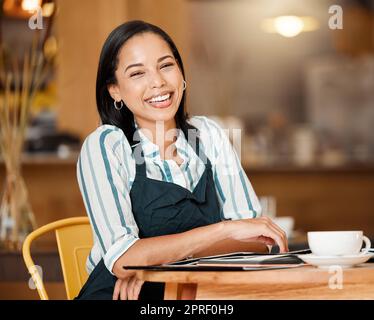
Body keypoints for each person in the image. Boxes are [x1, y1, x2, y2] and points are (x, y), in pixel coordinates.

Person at [75, 20, 288, 300]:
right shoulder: (107, 145)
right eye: (137, 73)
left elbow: (259, 240)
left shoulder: (209, 134)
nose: (158, 82)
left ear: (180, 71)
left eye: (166, 65)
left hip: (198, 296)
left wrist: (157, 263)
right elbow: (123, 260)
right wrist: (224, 229)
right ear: (115, 90)